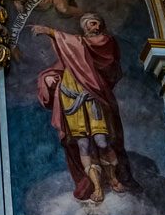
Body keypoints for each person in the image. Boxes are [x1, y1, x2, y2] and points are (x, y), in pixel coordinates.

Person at [31, 13, 136, 203]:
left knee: (101, 140)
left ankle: (112, 177)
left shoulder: (102, 42)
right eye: (89, 24)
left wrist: (51, 31)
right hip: (72, 103)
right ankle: (96, 187)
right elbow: (63, 65)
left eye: (95, 23)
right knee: (83, 144)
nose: (92, 26)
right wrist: (51, 78)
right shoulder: (73, 50)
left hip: (92, 98)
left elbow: (83, 46)